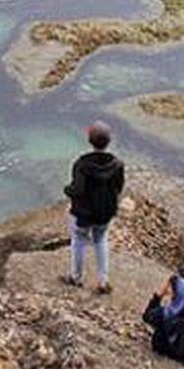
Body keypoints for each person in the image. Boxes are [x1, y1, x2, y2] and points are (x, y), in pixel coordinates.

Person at [62, 120, 125, 293]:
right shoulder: (118, 164)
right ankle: (103, 281)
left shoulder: (81, 164)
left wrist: (67, 190)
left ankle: (76, 277)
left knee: (78, 241)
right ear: (109, 141)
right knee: (101, 241)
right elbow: (119, 188)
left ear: (90, 140)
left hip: (83, 214)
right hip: (105, 213)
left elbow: (77, 189)